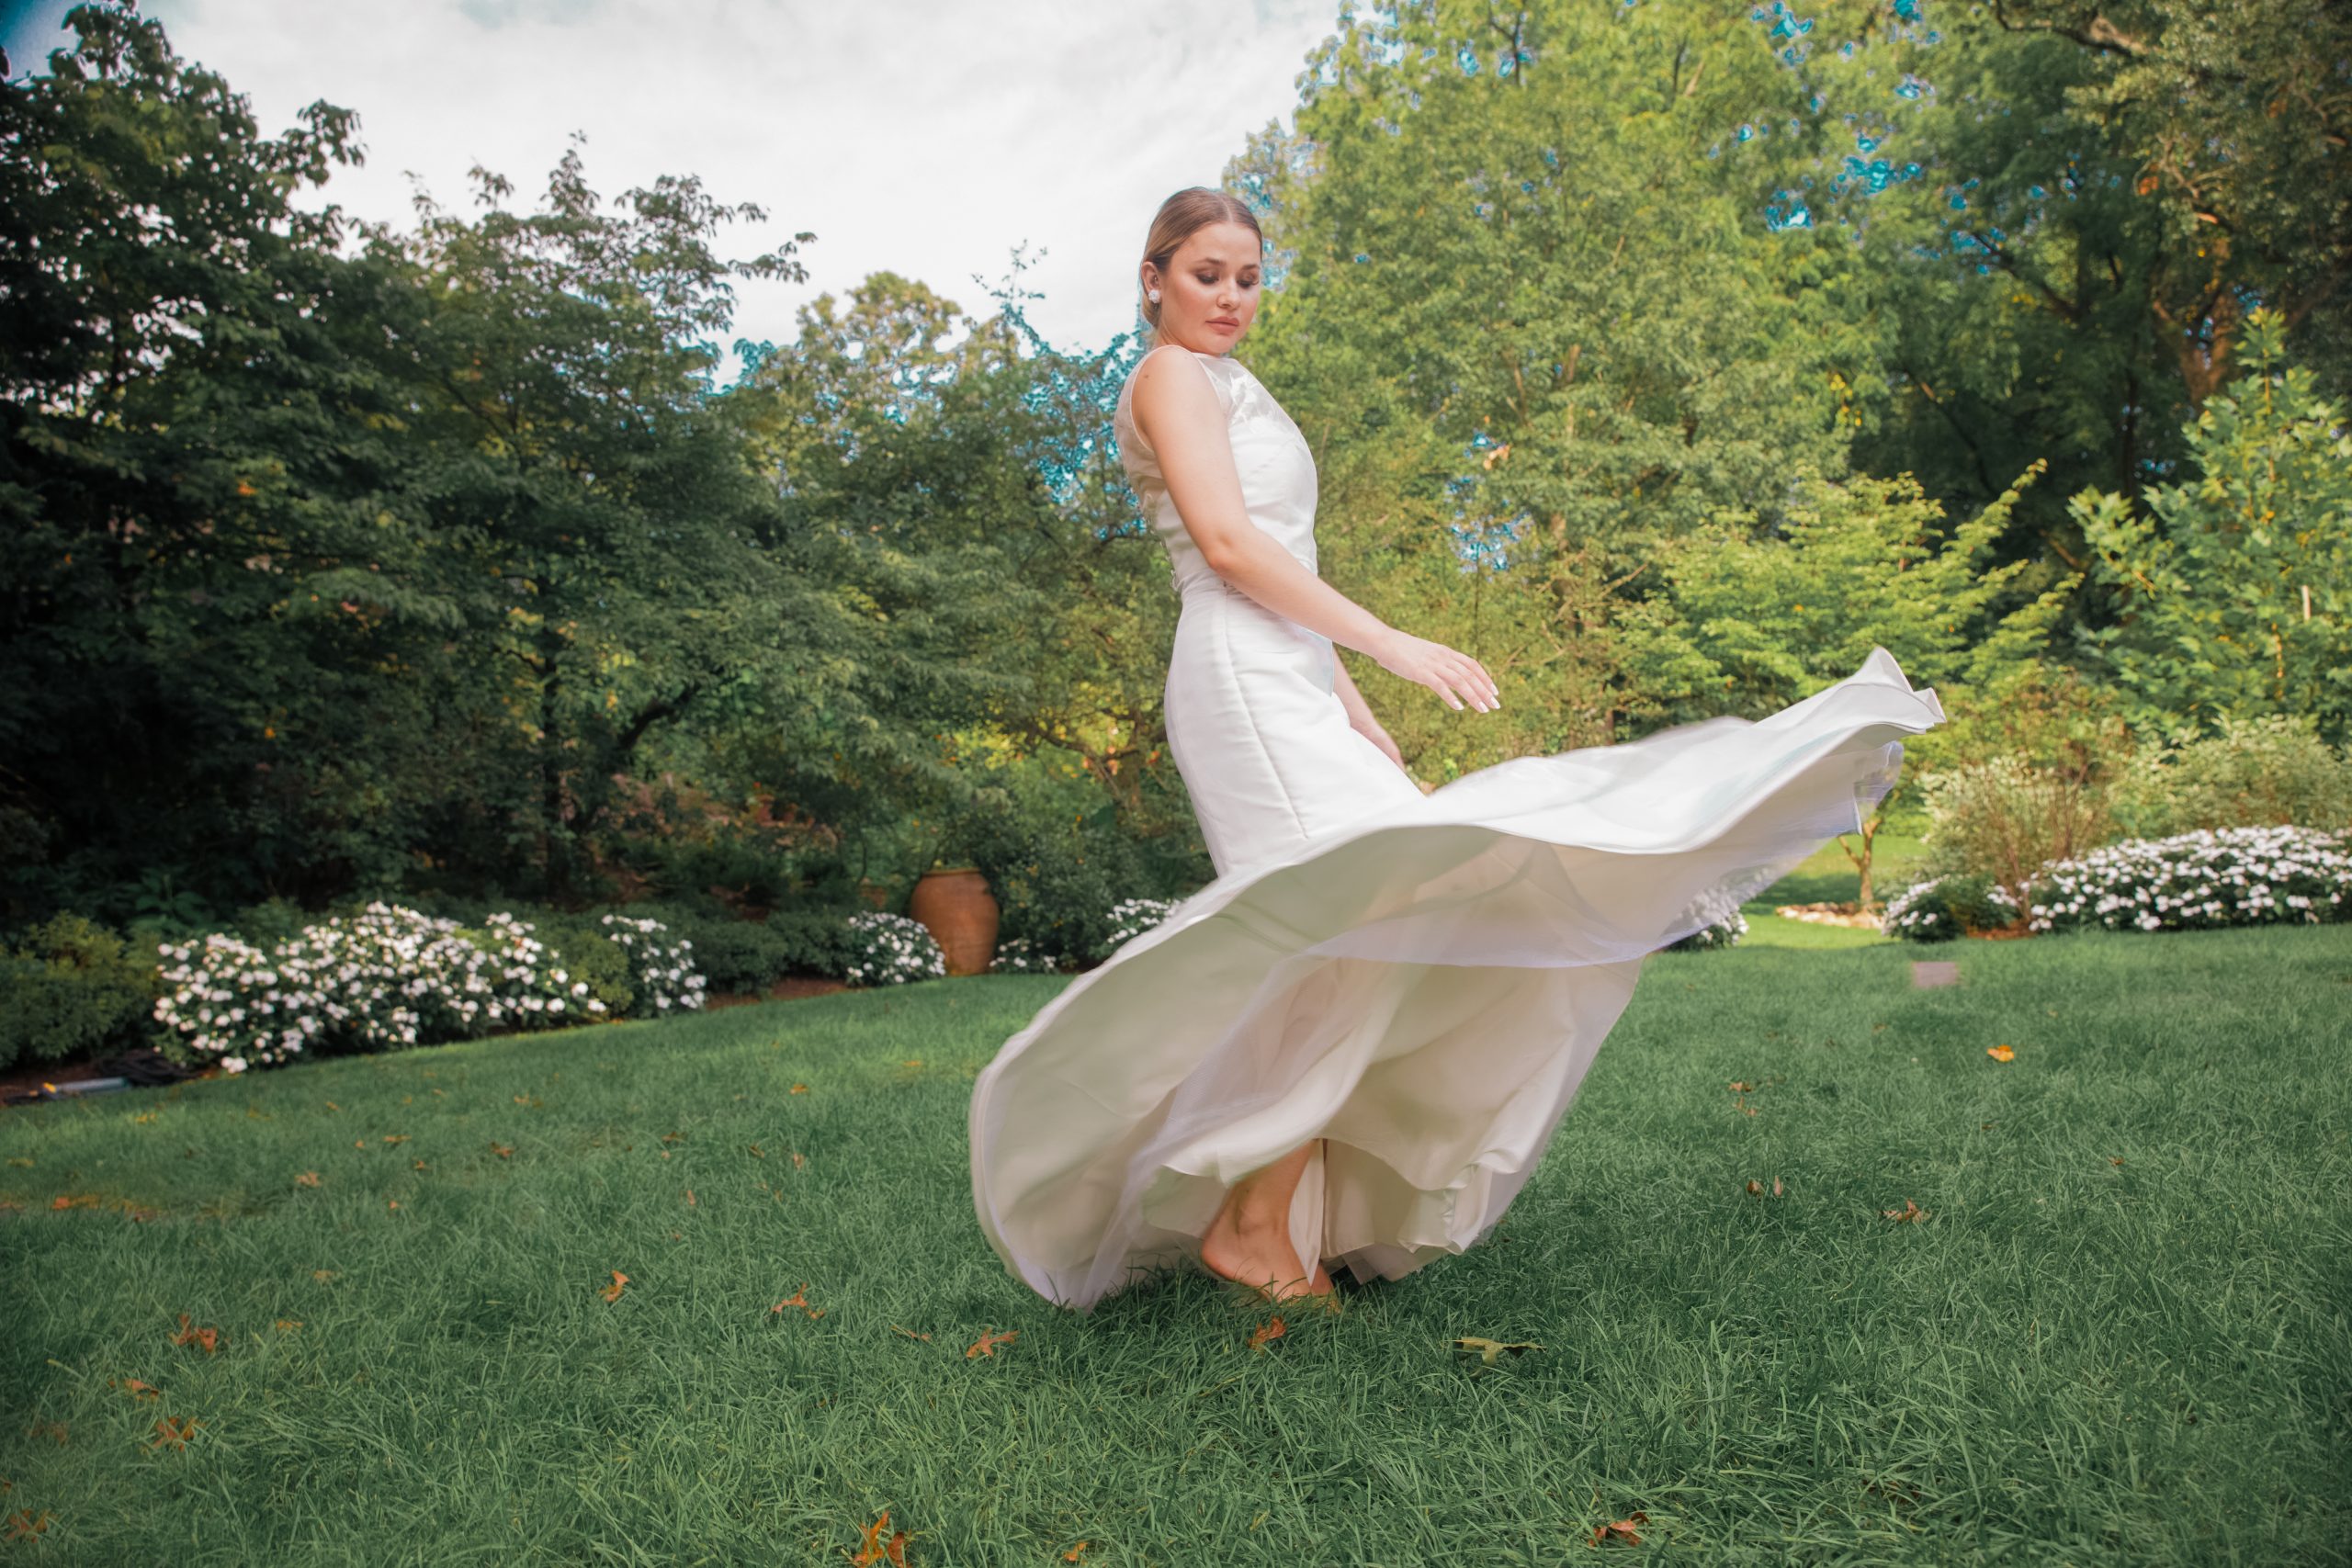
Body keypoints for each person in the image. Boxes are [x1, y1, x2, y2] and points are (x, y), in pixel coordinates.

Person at [967, 186, 1946, 1312]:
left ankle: (1271, 1218)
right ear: (1155, 278)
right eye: (1205, 276)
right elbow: (1230, 549)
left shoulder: (1239, 384)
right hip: (1238, 677)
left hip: (1289, 673)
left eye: (1247, 277)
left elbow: (1283, 553)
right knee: (1346, 930)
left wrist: (1352, 705)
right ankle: (1249, 1228)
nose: (1230, 298)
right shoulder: (1168, 376)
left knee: (1365, 932)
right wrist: (1386, 642)